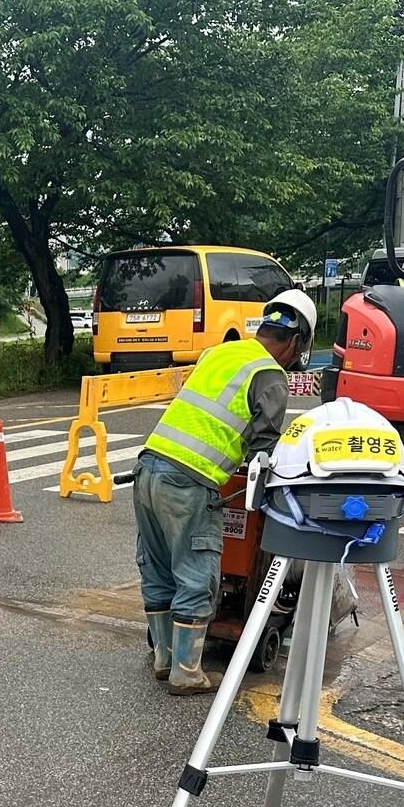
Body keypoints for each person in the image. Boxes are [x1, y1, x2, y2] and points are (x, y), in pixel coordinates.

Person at [134, 289, 316, 695]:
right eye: (296, 353)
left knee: (158, 565)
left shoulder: (221, 353)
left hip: (149, 466)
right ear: (294, 341)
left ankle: (164, 660)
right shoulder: (269, 373)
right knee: (197, 570)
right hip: (190, 480)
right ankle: (186, 673)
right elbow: (265, 447)